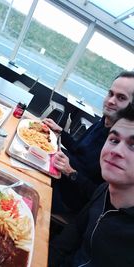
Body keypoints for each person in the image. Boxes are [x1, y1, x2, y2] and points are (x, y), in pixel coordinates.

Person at [49, 102, 134, 267]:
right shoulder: (104, 191)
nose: (116, 151)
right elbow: (70, 237)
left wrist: (72, 173)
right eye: (114, 140)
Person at [43, 71, 134, 214]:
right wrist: (60, 131)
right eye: (110, 94)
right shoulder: (102, 122)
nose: (111, 101)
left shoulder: (122, 147)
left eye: (121, 97)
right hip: (59, 173)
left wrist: (71, 172)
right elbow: (78, 149)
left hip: (70, 199)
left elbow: (101, 196)